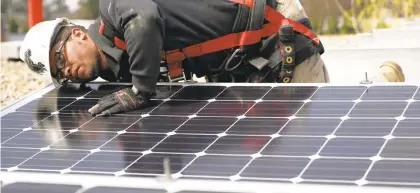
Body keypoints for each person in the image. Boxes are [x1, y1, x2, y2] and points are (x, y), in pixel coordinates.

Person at [19, 0, 405, 116]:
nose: (66, 69)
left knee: (325, 130)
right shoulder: (114, 67)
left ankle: (381, 86)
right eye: (60, 73)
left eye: (60, 56)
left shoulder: (114, 10)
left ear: (75, 33)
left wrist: (139, 91)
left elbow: (146, 19)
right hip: (243, 69)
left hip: (273, 37)